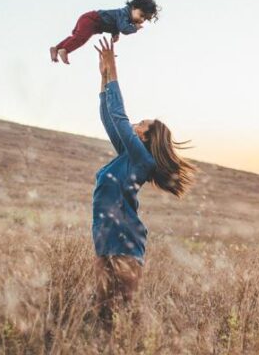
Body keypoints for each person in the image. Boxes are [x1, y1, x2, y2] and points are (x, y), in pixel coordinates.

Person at [92, 37, 196, 331]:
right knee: (103, 317)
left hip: (124, 243)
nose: (134, 124)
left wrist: (114, 71)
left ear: (146, 138)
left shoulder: (141, 160)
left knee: (124, 318)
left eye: (141, 123)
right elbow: (110, 119)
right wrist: (103, 78)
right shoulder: (128, 155)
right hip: (105, 241)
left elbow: (119, 115)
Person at [50, 0, 160, 64]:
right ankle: (65, 50)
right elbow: (124, 29)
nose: (141, 20)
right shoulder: (124, 14)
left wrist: (114, 34)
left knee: (76, 37)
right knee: (80, 39)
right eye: (141, 15)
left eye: (145, 18)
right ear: (133, 7)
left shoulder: (124, 16)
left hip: (90, 20)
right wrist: (134, 28)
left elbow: (114, 24)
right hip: (92, 20)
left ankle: (56, 48)